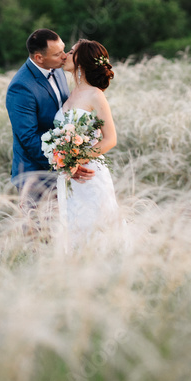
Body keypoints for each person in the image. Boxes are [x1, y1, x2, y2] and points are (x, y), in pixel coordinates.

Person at [5, 29, 95, 232]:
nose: (64, 56)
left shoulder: (59, 71)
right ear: (39, 58)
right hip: (35, 173)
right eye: (57, 54)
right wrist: (65, 164)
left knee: (64, 230)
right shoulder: (21, 87)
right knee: (39, 234)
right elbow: (28, 139)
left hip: (62, 169)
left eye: (64, 50)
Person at [55, 39, 121, 251]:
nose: (65, 55)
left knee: (95, 227)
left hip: (89, 173)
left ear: (81, 61)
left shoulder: (95, 95)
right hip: (68, 175)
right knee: (73, 227)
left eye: (71, 51)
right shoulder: (70, 94)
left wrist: (75, 160)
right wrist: (65, 162)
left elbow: (110, 139)